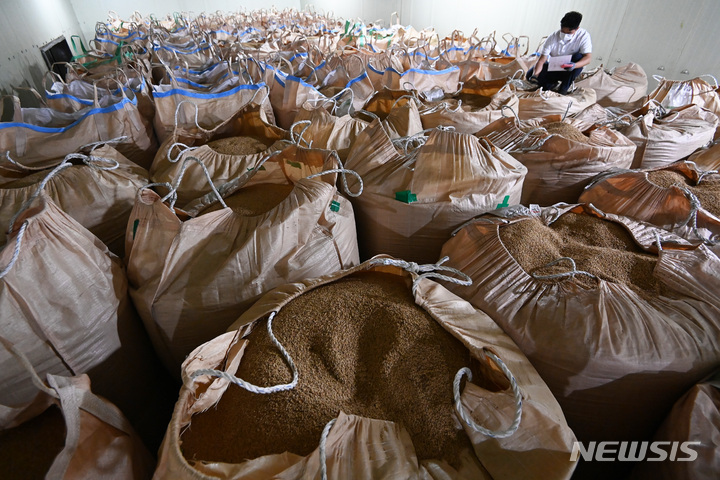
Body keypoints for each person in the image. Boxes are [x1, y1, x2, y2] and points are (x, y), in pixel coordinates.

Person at [527, 11, 592, 94]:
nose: (565, 35)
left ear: (577, 29)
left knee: (578, 57)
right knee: (529, 74)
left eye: (569, 33)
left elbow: (588, 58)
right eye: (563, 31)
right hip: (554, 67)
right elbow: (542, 60)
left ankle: (563, 90)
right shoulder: (553, 37)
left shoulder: (583, 36)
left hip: (569, 69)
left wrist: (574, 65)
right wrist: (535, 75)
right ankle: (549, 85)